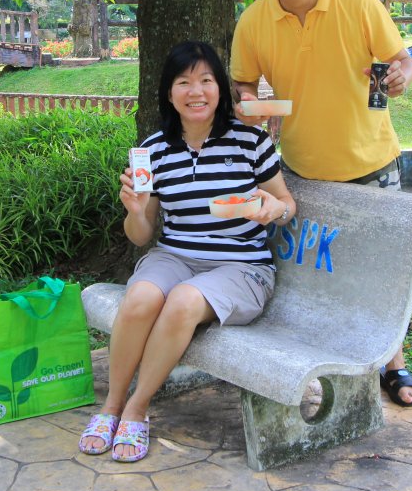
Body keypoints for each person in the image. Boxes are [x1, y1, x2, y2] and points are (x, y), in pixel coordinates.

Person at [230, 0, 412, 407]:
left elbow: (399, 60)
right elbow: (244, 82)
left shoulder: (360, 4)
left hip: (373, 165)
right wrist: (252, 105)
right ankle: (316, 363)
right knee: (314, 275)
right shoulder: (254, 20)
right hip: (299, 173)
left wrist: (403, 75)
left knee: (381, 275)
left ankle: (394, 366)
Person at [78, 40, 296, 462]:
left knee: (181, 301)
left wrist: (275, 209)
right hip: (175, 255)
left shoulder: (250, 142)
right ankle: (111, 406)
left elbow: (287, 205)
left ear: (220, 89)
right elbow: (140, 236)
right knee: (140, 296)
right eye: (183, 82)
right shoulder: (154, 150)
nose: (195, 92)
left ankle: (138, 411)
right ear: (169, 92)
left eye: (206, 80)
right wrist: (137, 210)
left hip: (242, 265)